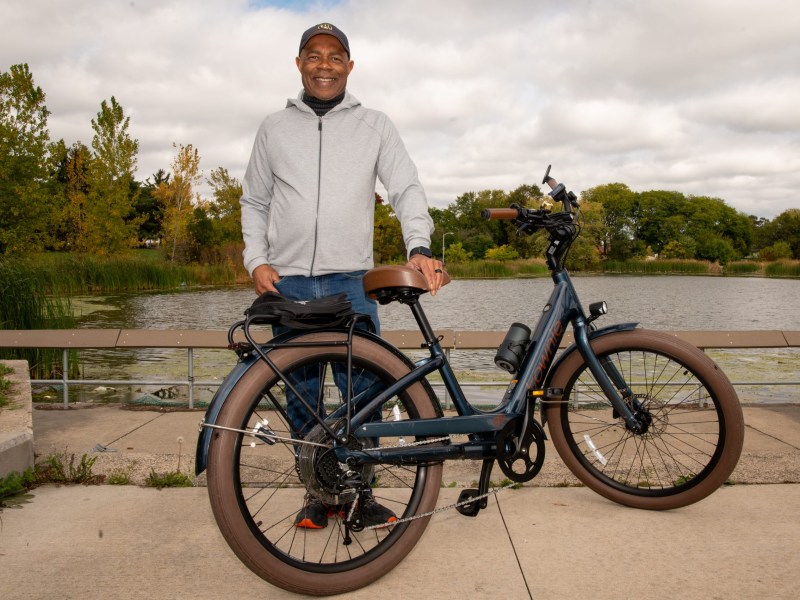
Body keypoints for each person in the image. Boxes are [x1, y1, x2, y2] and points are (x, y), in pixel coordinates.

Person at [240, 22, 445, 529]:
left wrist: (419, 246)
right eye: (314, 55)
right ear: (299, 64)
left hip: (353, 280)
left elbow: (406, 187)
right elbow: (255, 200)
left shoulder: (375, 125)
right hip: (288, 282)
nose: (324, 65)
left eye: (335, 56)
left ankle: (360, 495)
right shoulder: (273, 127)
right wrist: (256, 259)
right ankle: (318, 493)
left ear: (350, 66)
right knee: (302, 399)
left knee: (364, 395)